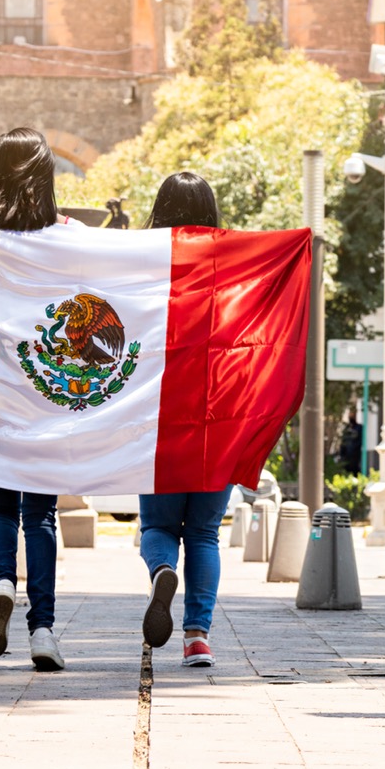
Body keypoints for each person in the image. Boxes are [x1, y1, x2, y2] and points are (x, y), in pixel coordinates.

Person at [0, 127, 77, 671]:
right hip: (47, 392)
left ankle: (2, 581)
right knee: (43, 515)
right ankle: (43, 630)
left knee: (0, 505)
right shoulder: (69, 235)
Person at [137, 171, 229, 668]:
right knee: (205, 532)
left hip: (159, 417)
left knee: (158, 524)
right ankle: (198, 637)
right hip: (219, 418)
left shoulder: (142, 261)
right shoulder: (234, 265)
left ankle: (162, 569)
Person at [338, 411, 363, 476]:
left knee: (355, 470)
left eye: (352, 415)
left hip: (355, 455)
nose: (351, 417)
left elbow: (360, 440)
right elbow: (343, 442)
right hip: (346, 455)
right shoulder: (346, 429)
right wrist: (342, 454)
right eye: (350, 415)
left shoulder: (359, 428)